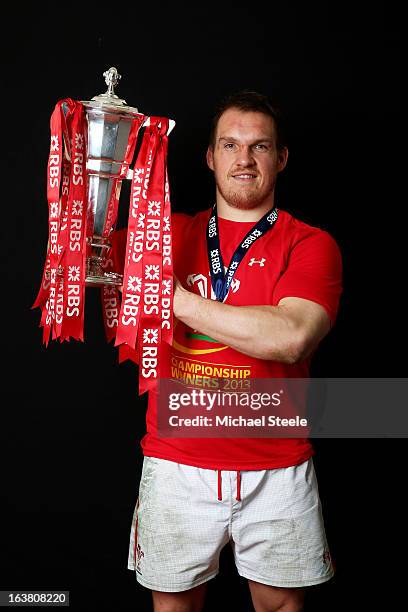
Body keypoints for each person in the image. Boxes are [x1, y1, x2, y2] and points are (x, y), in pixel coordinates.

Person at [124, 91, 343, 612]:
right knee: (174, 607)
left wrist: (174, 299)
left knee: (280, 607)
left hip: (276, 466)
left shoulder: (310, 244)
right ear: (209, 156)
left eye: (260, 146)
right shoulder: (165, 234)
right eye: (230, 145)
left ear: (281, 158)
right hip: (178, 462)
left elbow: (291, 337)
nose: (244, 159)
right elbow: (86, 259)